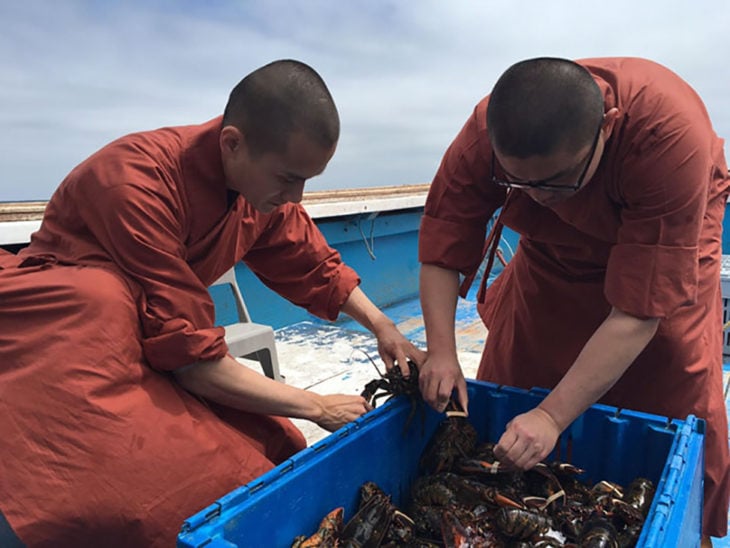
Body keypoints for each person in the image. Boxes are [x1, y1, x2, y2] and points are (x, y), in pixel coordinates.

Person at [0, 59, 424, 547]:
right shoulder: (133, 184)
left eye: (308, 180)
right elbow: (194, 364)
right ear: (232, 143)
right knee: (194, 489)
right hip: (73, 340)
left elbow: (312, 262)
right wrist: (318, 406)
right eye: (288, 178)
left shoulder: (256, 186)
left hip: (162, 338)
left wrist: (382, 327)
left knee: (281, 447)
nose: (296, 197)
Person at [418, 56, 730, 542]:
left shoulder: (669, 136)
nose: (537, 196)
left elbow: (639, 311)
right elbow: (443, 242)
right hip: (549, 252)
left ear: (605, 129)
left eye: (555, 181)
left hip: (665, 243)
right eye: (518, 182)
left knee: (671, 375)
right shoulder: (487, 133)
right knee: (516, 373)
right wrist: (440, 351)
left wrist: (551, 416)